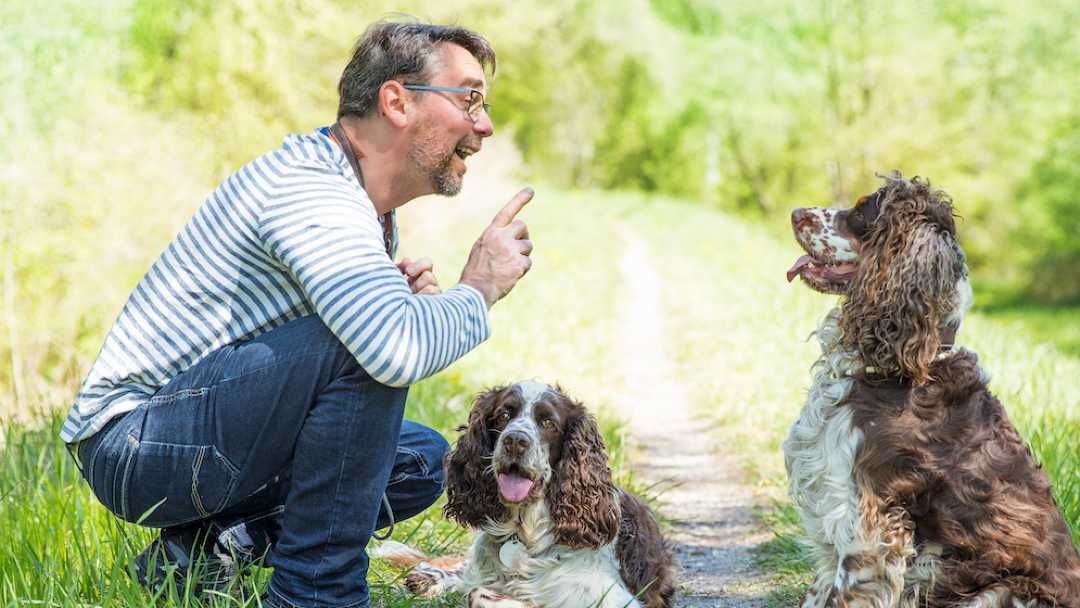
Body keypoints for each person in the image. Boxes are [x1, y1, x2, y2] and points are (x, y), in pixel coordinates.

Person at [60, 19, 533, 608]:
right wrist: (479, 287)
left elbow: (356, 348)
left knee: (421, 461)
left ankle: (208, 551)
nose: (483, 125)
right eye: (469, 99)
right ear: (396, 101)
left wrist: (396, 302)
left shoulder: (359, 204)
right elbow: (387, 350)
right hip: (133, 446)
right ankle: (317, 595)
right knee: (361, 346)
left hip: (197, 436)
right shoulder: (314, 190)